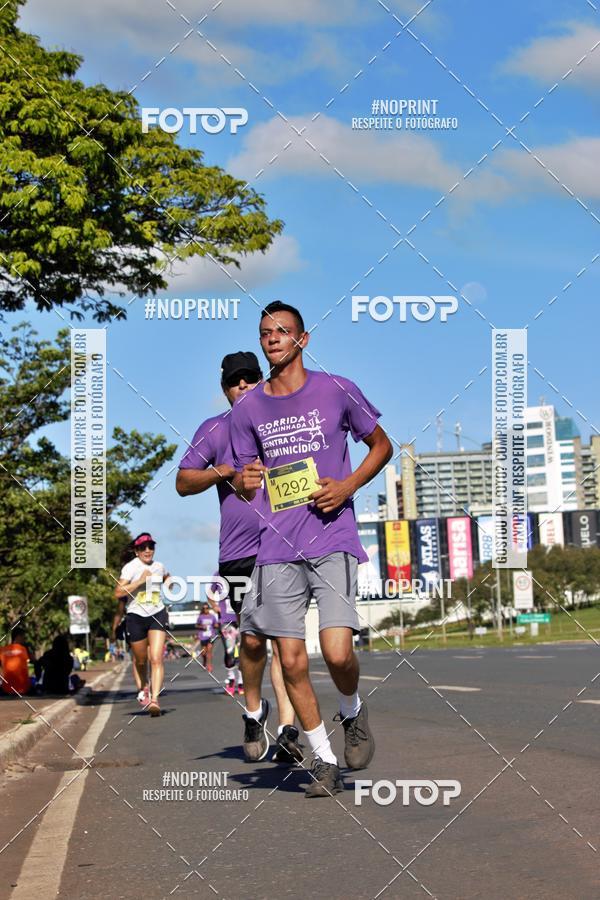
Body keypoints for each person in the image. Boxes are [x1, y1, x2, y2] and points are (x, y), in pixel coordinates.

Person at [231, 301, 392, 797]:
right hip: (276, 547)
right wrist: (245, 479)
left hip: (332, 534)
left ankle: (352, 711)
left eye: (283, 331)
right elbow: (242, 483)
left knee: (338, 651)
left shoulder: (336, 389)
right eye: (265, 333)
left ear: (303, 339)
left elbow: (382, 445)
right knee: (293, 659)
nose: (273, 338)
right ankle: (324, 760)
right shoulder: (249, 408)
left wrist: (346, 487)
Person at [177, 352, 302, 764]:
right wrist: (223, 471)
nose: (244, 386)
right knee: (251, 641)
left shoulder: (281, 424)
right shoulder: (214, 430)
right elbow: (182, 482)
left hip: (284, 547)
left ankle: (287, 729)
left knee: (287, 643)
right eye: (236, 382)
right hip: (237, 555)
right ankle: (253, 712)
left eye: (250, 378)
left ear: (262, 380)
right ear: (225, 389)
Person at [114, 532, 172, 717]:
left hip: (157, 613)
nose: (148, 550)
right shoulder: (130, 568)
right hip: (136, 616)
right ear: (137, 551)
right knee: (140, 660)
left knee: (156, 658)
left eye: (151, 547)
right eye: (143, 547)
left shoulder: (159, 566)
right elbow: (118, 592)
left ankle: (155, 699)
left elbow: (166, 575)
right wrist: (140, 581)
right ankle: (144, 687)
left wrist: (169, 582)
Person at [0, 628, 32, 696]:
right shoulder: (24, 649)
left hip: (6, 689)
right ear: (18, 637)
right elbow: (34, 660)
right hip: (24, 689)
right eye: (24, 637)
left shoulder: (2, 650)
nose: (24, 639)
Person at [195, 602, 218, 672]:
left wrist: (216, 626)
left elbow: (216, 624)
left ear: (209, 608)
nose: (205, 609)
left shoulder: (212, 616)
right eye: (204, 608)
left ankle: (209, 666)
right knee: (203, 653)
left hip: (211, 636)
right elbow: (196, 625)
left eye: (207, 608)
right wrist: (202, 627)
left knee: (209, 652)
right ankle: (204, 661)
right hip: (203, 636)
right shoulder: (200, 617)